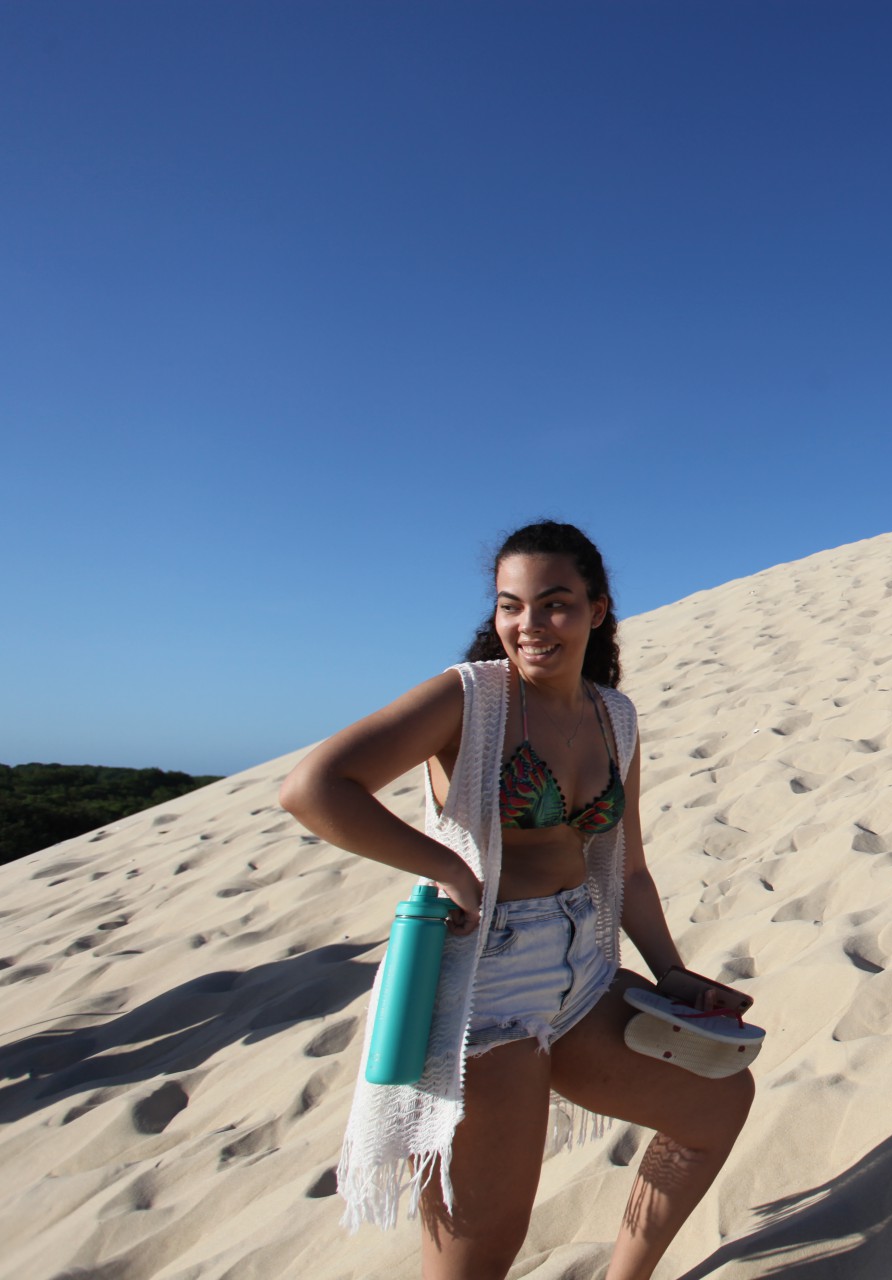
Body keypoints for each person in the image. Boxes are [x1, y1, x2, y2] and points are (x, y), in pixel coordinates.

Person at [280, 520, 754, 1280]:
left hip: (582, 967)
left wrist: (670, 972)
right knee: (481, 1254)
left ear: (597, 610)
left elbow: (627, 868)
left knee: (716, 1101)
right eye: (511, 606)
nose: (529, 625)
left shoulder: (614, 715)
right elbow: (313, 789)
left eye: (554, 603)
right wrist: (447, 866)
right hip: (485, 986)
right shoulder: (469, 699)